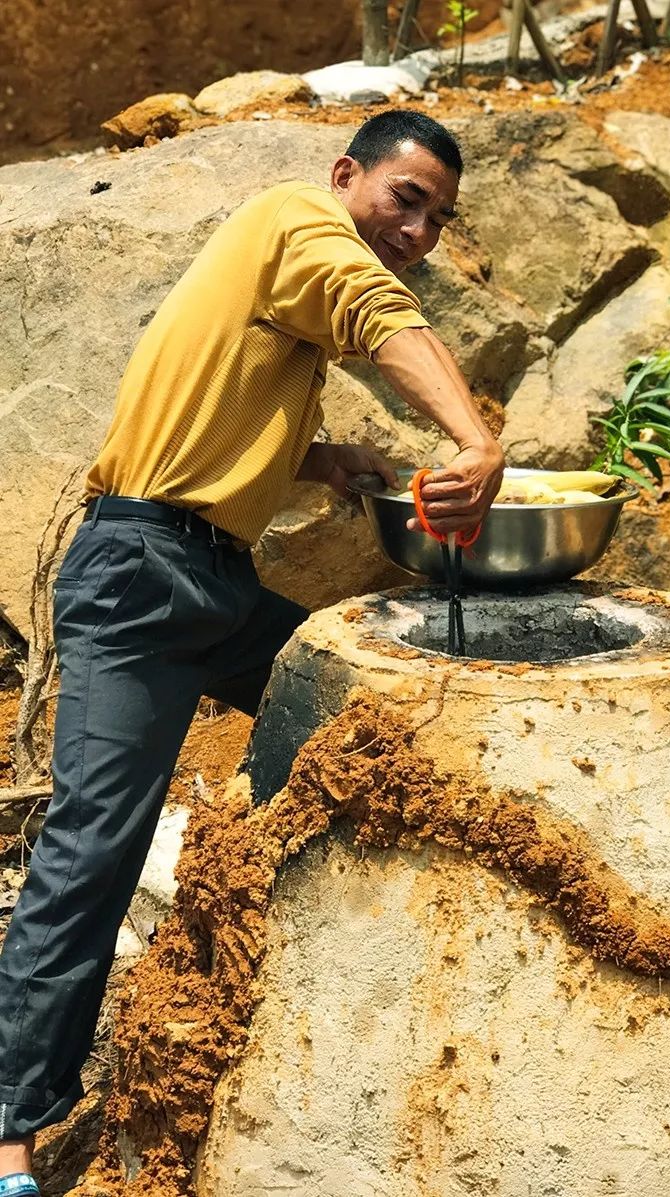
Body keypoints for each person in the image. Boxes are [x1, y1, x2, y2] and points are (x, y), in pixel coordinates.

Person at [0, 108, 505, 1193]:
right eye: (404, 199)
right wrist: (473, 439)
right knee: (94, 848)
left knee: (345, 719)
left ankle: (319, 978)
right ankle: (9, 1129)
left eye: (437, 217)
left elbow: (212, 414)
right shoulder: (293, 221)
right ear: (344, 176)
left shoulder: (285, 290)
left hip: (211, 579)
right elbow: (379, 312)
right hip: (139, 577)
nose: (416, 230)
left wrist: (319, 459)